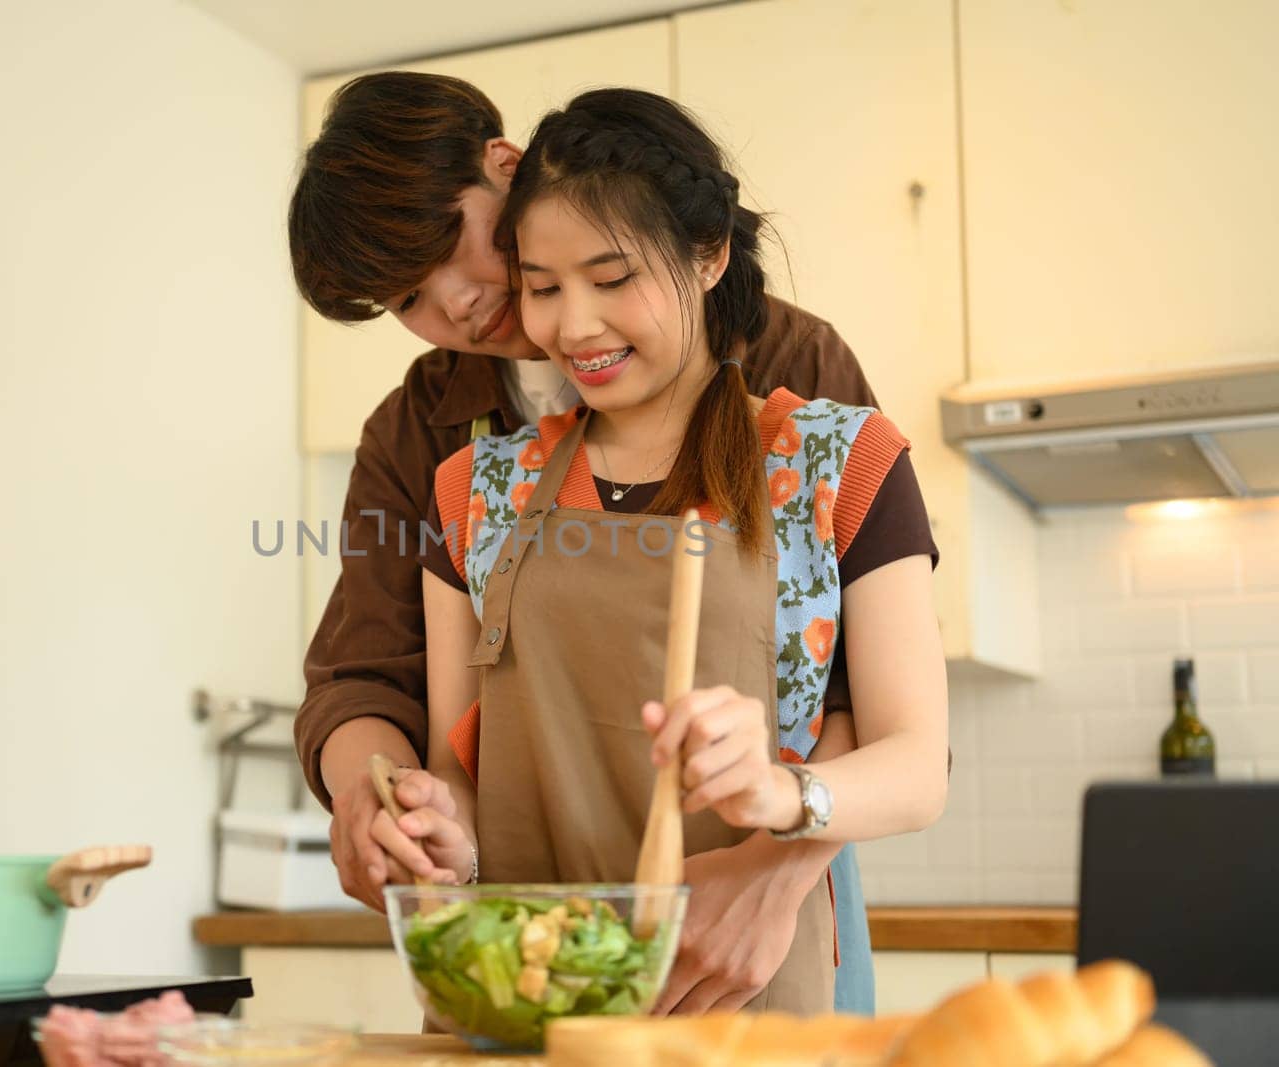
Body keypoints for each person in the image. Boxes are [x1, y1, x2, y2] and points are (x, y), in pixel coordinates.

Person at [287, 72, 883, 1013]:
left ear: (506, 165)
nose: (458, 302)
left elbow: (866, 681)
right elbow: (363, 676)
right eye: (408, 297)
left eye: (455, 241)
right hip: (521, 925)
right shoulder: (421, 436)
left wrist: (772, 876)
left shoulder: (790, 369)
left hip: (768, 894)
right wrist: (377, 798)